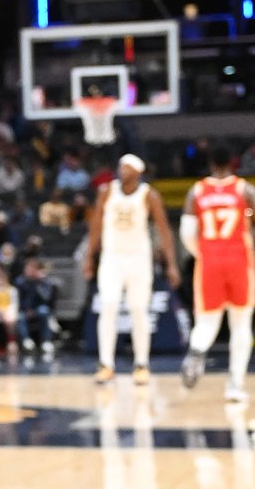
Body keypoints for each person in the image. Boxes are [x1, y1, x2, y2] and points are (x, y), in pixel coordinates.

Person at [85, 154, 180, 386]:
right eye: (121, 166)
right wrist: (89, 255)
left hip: (139, 258)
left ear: (139, 171)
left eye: (127, 167)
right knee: (108, 307)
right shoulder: (107, 191)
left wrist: (171, 264)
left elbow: (164, 230)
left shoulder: (149, 195)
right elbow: (96, 224)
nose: (122, 170)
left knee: (139, 310)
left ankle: (141, 364)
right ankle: (106, 364)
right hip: (112, 257)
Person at [179, 145, 255, 402]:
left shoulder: (197, 191)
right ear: (233, 163)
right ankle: (234, 385)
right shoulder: (244, 190)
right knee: (241, 324)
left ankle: (197, 349)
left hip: (210, 260)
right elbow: (252, 217)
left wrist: (203, 254)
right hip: (239, 261)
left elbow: (187, 234)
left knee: (207, 321)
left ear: (210, 164)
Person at [15, 258, 58, 359]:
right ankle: (26, 341)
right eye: (28, 268)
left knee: (44, 311)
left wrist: (39, 282)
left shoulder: (43, 281)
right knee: (20, 316)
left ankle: (46, 341)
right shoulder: (20, 282)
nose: (29, 271)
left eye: (32, 269)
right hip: (24, 309)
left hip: (38, 308)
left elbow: (46, 298)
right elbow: (16, 299)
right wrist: (26, 309)